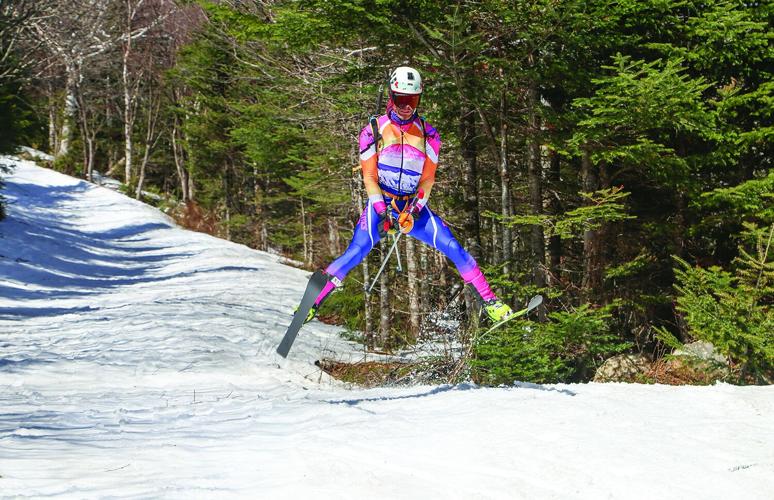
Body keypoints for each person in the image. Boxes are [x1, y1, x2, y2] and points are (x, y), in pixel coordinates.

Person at [301, 66, 514, 324]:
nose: (406, 106)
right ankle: (311, 303)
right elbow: (369, 177)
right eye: (401, 99)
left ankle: (490, 302)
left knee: (453, 247)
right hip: (382, 203)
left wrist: (413, 209)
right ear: (391, 96)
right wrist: (383, 211)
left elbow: (427, 178)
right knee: (356, 252)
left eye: (412, 100)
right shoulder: (373, 130)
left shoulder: (428, 134)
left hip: (412, 207)